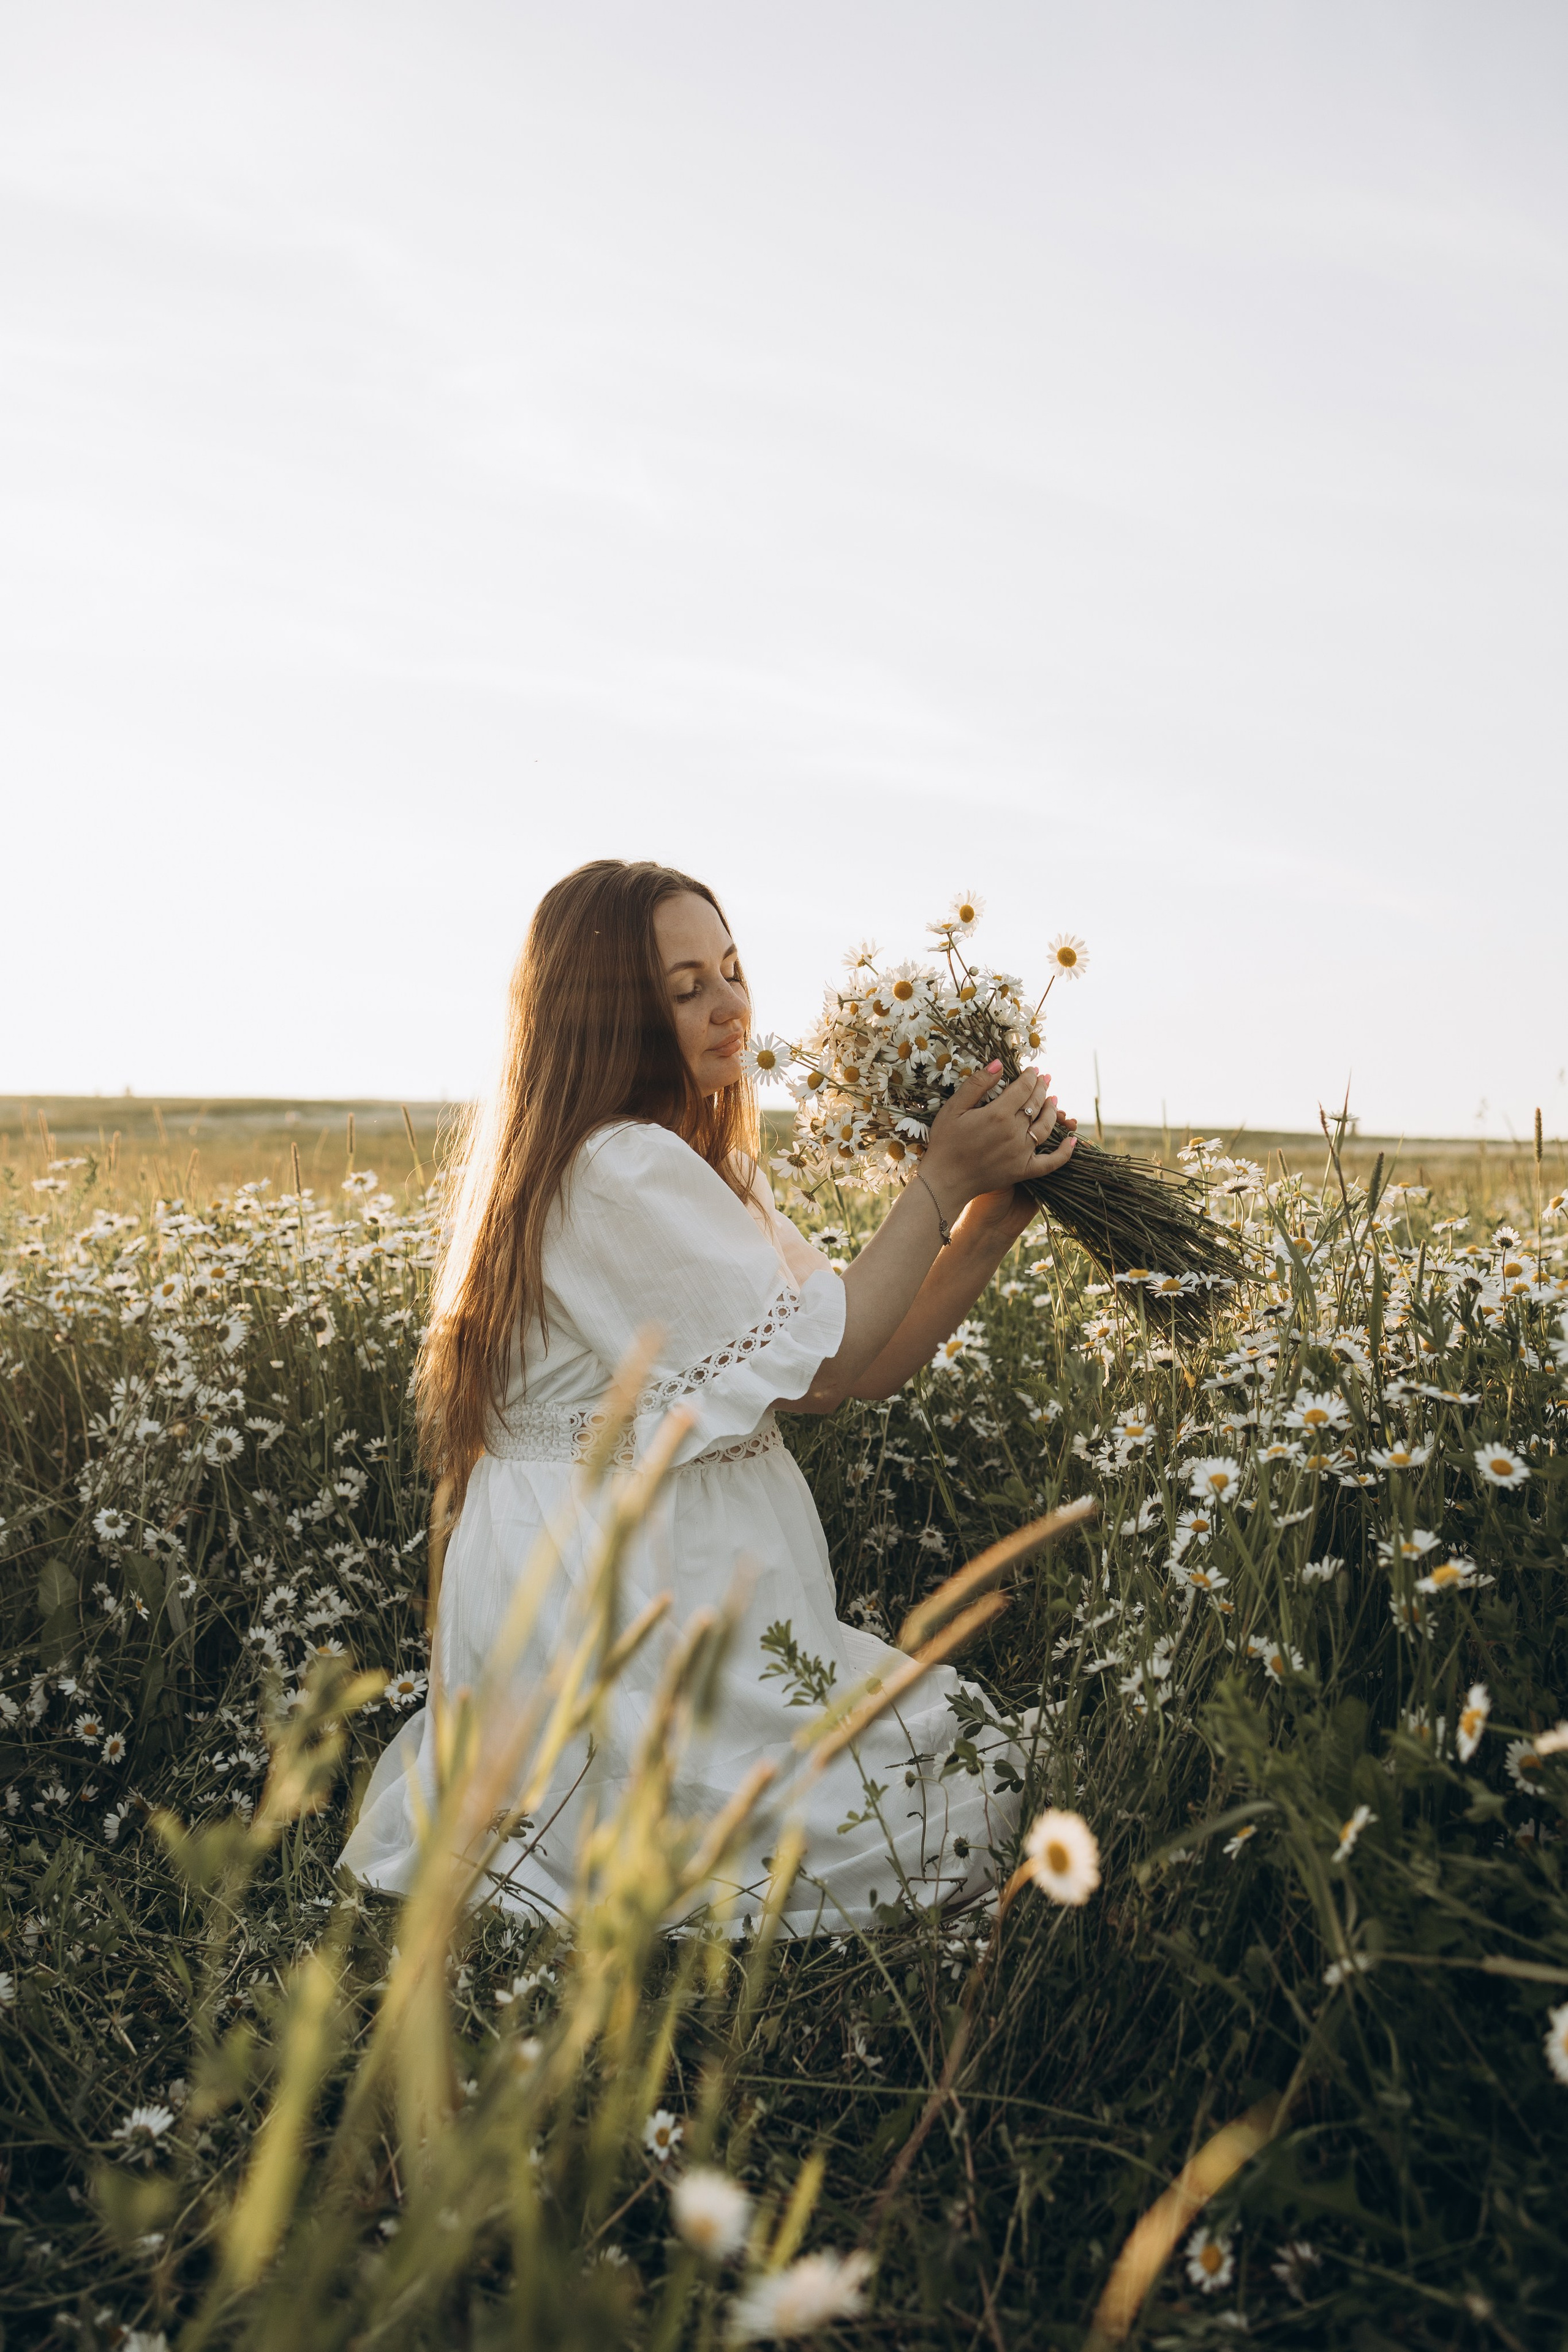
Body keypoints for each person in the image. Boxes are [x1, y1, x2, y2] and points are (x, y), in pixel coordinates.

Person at [341, 859, 1077, 1933]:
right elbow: (829, 1361)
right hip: (621, 1602)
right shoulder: (616, 1169)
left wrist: (986, 1224)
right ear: (611, 1018)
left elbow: (852, 1373)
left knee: (947, 1768)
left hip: (681, 1588)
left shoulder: (684, 1165)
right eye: (687, 989)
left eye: (731, 971)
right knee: (923, 1803)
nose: (732, 1005)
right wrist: (938, 1179)